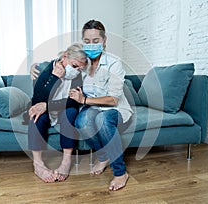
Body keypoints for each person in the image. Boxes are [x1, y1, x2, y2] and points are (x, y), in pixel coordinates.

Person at [69, 20, 133, 191]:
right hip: (93, 108)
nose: (91, 45)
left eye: (96, 41)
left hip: (115, 109)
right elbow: (62, 62)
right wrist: (35, 66)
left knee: (102, 120)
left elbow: (113, 100)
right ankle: (103, 156)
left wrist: (84, 101)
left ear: (104, 41)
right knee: (81, 122)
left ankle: (120, 172)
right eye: (87, 41)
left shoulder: (114, 63)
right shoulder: (83, 63)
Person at [28, 43, 89, 183]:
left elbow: (73, 101)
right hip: (43, 108)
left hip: (62, 108)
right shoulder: (44, 69)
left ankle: (66, 161)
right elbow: (38, 100)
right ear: (65, 57)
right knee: (36, 117)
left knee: (70, 113)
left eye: (81, 68)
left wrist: (48, 106)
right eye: (74, 66)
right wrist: (55, 77)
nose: (77, 70)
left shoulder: (77, 76)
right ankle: (38, 164)